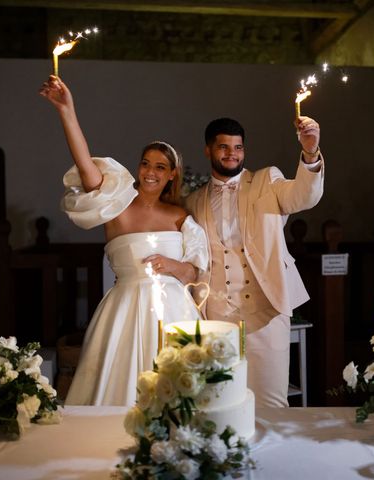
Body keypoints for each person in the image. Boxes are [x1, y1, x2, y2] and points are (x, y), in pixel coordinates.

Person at [40, 76, 208, 406]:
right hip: (125, 310)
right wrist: (66, 111)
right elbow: (87, 167)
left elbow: (195, 274)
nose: (150, 172)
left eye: (160, 167)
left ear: (172, 174)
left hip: (176, 312)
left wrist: (172, 265)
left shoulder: (180, 218)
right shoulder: (117, 206)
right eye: (145, 163)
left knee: (181, 393)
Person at [185, 116, 324, 407]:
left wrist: (310, 153)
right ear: (208, 150)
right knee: (219, 403)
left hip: (268, 310)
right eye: (223, 147)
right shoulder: (194, 201)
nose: (231, 153)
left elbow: (303, 196)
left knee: (271, 402)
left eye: (238, 147)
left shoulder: (266, 180)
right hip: (215, 316)